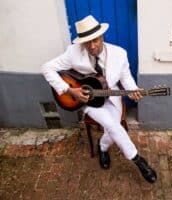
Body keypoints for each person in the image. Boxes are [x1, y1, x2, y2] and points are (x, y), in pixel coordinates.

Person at [41, 15, 157, 183]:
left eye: (95, 40)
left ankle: (102, 147)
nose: (92, 46)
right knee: (112, 125)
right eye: (87, 42)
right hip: (88, 101)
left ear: (102, 36)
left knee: (112, 128)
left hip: (112, 97)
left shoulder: (119, 54)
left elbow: (126, 80)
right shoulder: (73, 52)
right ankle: (139, 161)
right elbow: (47, 68)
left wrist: (133, 91)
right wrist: (69, 90)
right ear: (81, 42)